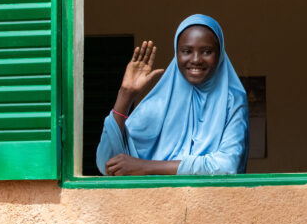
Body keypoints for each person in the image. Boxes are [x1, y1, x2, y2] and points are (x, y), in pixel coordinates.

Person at [96, 14, 249, 176]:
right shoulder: (160, 103)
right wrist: (125, 95)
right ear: (177, 54)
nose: (196, 59)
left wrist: (146, 167)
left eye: (207, 51)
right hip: (155, 201)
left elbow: (227, 166)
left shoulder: (232, 99)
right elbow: (107, 165)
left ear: (220, 55)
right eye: (186, 51)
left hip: (213, 200)